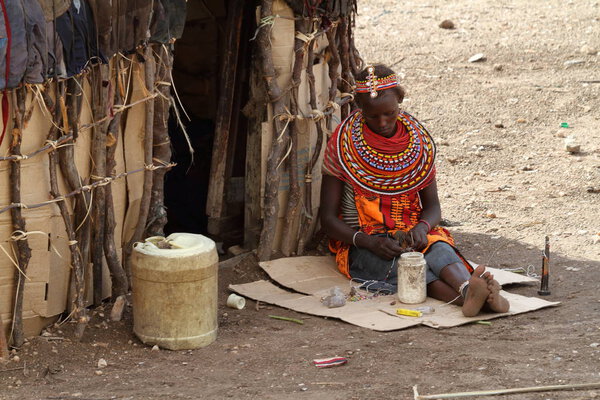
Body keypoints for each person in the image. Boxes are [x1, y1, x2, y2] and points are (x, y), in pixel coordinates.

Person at [319, 64, 509, 317]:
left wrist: (421, 228)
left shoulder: (418, 144)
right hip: (363, 241)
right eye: (372, 116)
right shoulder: (344, 145)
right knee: (406, 265)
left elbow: (433, 208)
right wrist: (369, 242)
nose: (383, 123)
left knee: (438, 247)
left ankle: (468, 290)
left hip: (411, 232)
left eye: (389, 113)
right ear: (360, 109)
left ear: (400, 100)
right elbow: (329, 220)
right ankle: (472, 298)